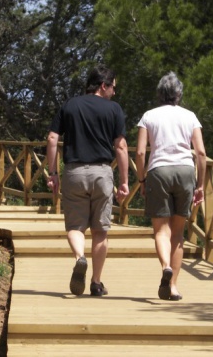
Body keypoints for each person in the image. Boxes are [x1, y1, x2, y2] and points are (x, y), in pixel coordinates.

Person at [46, 64, 129, 297]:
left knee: (75, 226)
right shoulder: (113, 109)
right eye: (113, 87)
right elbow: (121, 146)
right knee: (101, 230)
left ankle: (80, 257)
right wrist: (124, 181)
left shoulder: (70, 105)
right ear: (104, 85)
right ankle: (96, 283)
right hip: (102, 173)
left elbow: (52, 138)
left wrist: (53, 174)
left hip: (74, 172)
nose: (114, 92)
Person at [135, 71, 206, 301]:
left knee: (161, 231)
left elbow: (139, 152)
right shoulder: (190, 116)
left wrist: (142, 180)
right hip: (185, 171)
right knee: (177, 232)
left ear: (159, 93)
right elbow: (202, 153)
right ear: (179, 93)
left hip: (159, 172)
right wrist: (201, 185)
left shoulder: (149, 116)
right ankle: (173, 285)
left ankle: (165, 265)